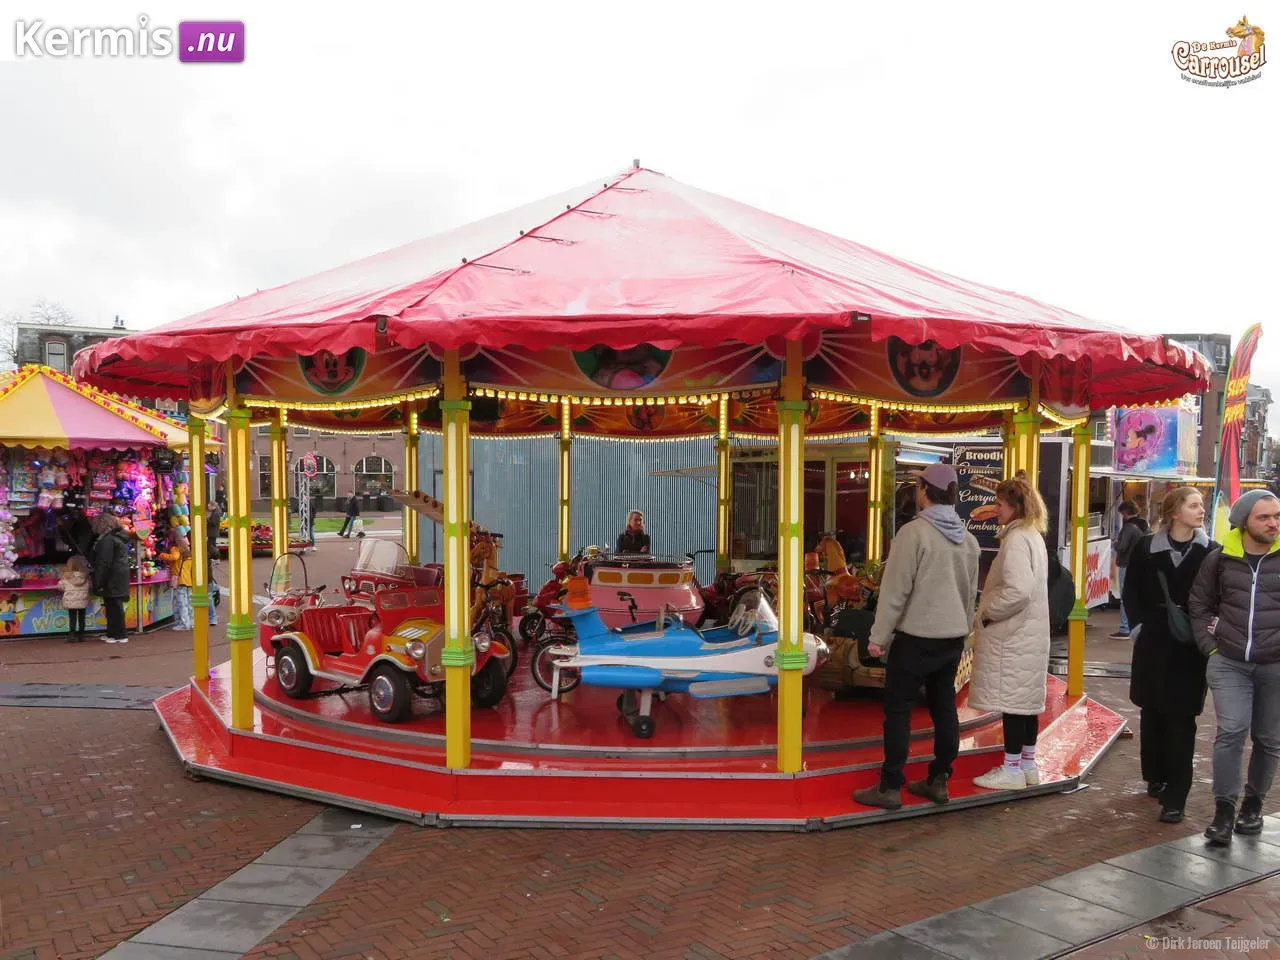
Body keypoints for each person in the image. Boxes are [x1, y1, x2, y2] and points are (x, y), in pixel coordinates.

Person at [853, 463, 980, 809]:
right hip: (952, 638)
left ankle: (890, 785)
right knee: (944, 709)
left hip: (916, 638)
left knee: (898, 710)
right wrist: (964, 629)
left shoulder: (914, 534)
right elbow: (971, 595)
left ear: (924, 490)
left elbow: (895, 592)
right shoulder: (968, 540)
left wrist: (877, 637)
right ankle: (939, 780)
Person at [1190, 489, 1280, 845]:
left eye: (1276, 516)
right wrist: (1210, 647)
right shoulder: (1220, 558)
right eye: (1265, 517)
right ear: (1245, 522)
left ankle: (1253, 806)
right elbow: (1198, 602)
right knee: (1231, 730)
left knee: (1269, 739)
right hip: (1228, 661)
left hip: (1275, 665)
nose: (1273, 523)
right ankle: (1224, 811)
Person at [1123, 486, 1214, 824]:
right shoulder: (1147, 547)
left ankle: (1176, 796)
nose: (1201, 510)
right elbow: (1131, 590)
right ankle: (1155, 774)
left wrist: (1208, 633)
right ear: (1176, 512)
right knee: (1152, 711)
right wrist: (1137, 627)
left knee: (1181, 719)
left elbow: (1215, 598)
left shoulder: (1211, 552)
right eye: (1194, 505)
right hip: (1153, 641)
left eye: (1202, 505)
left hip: (1190, 647)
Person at [969, 472, 1052, 791]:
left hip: (1012, 637)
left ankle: (1012, 769)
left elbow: (1018, 590)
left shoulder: (1016, 539)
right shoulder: (1032, 535)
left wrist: (988, 612)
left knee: (1014, 708)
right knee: (1026, 706)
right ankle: (1027, 766)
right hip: (1028, 636)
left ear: (1014, 506)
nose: (996, 509)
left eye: (1000, 503)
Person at [92, 513, 132, 644]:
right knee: (113, 604)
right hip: (118, 574)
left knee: (113, 605)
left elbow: (104, 562)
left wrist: (98, 580)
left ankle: (119, 634)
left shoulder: (107, 539)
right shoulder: (117, 537)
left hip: (112, 576)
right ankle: (114, 633)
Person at [1111, 500, 1146, 640]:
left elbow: (1121, 547)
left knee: (1125, 596)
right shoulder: (1144, 524)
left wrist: (1115, 544)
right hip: (1139, 564)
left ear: (1125, 513)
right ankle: (1134, 626)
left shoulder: (1128, 527)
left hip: (1126, 564)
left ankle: (1125, 628)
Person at [57, 555, 92, 643]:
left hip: (71, 601)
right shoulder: (85, 576)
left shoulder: (66, 576)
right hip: (82, 600)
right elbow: (90, 586)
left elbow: (60, 587)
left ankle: (72, 636)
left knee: (72, 618)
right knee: (82, 618)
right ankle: (82, 636)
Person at [162, 538, 194, 630]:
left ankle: (184, 624)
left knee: (181, 603)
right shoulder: (187, 550)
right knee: (188, 603)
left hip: (179, 579)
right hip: (188, 579)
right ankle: (191, 622)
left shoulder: (175, 549)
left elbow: (174, 557)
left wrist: (162, 555)